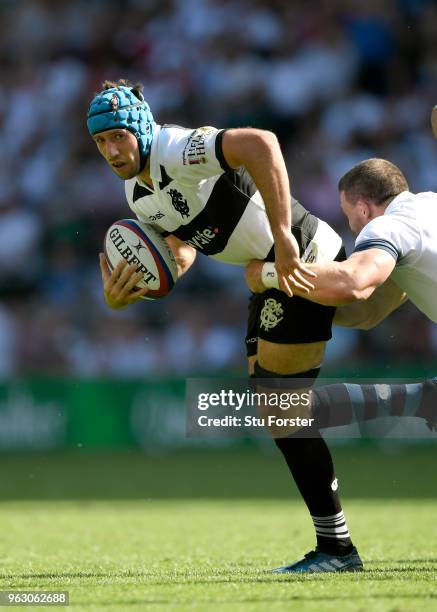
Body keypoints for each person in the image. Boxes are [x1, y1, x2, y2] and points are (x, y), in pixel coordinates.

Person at [87, 79, 364, 573]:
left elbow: (263, 143)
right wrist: (128, 292)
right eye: (101, 142)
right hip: (266, 278)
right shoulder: (137, 195)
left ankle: (338, 549)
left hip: (301, 259)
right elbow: (184, 247)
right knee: (278, 408)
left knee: (283, 408)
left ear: (141, 128)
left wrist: (283, 237)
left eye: (118, 137)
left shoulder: (176, 149)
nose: (111, 150)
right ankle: (336, 544)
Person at [246, 158, 437, 432]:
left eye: (348, 215)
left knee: (285, 414)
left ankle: (426, 399)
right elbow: (367, 311)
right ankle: (426, 399)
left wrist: (269, 274)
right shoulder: (430, 205)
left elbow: (353, 282)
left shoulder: (388, 226)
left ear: (363, 209)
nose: (353, 226)